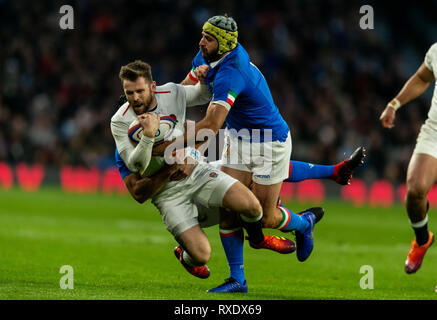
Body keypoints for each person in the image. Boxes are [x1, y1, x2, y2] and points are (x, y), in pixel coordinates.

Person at [153, 14, 365, 292]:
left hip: (269, 141)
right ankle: (237, 279)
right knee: (228, 204)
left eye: (208, 38)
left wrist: (173, 146)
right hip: (240, 137)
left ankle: (303, 223)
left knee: (264, 217)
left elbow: (212, 124)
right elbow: (185, 91)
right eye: (203, 35)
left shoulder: (233, 71)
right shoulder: (207, 54)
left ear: (224, 44)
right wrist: (192, 81)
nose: (201, 41)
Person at [110, 60, 296, 291]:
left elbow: (204, 95)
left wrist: (204, 76)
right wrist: (149, 139)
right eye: (129, 94)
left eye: (139, 91)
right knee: (202, 255)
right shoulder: (120, 123)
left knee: (251, 206)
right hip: (166, 194)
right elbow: (136, 174)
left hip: (196, 171)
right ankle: (187, 255)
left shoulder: (171, 94)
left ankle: (261, 240)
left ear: (153, 86)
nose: (135, 98)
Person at [379, 42, 437, 274]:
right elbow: (423, 78)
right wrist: (394, 104)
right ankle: (422, 239)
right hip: (435, 131)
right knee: (414, 190)